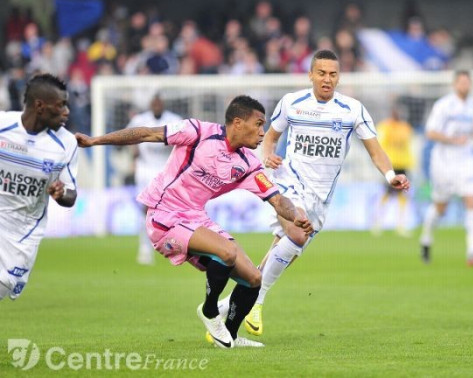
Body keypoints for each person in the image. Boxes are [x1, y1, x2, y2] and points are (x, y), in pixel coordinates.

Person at [75, 95, 310, 349]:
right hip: (163, 215)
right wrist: (95, 140)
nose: (263, 133)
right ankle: (209, 312)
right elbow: (146, 134)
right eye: (259, 124)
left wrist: (296, 215)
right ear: (238, 123)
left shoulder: (248, 164)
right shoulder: (197, 132)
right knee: (227, 251)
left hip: (196, 217)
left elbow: (277, 200)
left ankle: (228, 335)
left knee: (254, 278)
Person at [213, 49, 410, 337]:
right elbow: (269, 139)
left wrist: (391, 175)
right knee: (296, 234)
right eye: (321, 73)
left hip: (321, 197)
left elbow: (375, 149)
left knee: (286, 247)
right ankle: (257, 301)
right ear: (311, 75)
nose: (327, 79)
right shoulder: (292, 103)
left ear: (339, 77)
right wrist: (268, 157)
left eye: (332, 74)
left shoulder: (352, 110)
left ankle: (230, 303)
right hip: (288, 184)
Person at [0, 73, 79, 301]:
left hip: (23, 233)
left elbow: (71, 194)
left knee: (4, 285)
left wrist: (62, 193)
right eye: (61, 105)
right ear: (40, 106)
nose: (66, 112)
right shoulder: (4, 125)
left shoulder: (66, 143)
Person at [419, 70, 473, 266]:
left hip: (466, 160)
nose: (465, 85)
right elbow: (430, 132)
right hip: (444, 162)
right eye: (461, 82)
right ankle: (426, 239)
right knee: (441, 207)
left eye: (468, 82)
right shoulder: (443, 105)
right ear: (455, 84)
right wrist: (452, 140)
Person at [126, 93, 182, 265]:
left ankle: (172, 245)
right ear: (150, 103)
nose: (157, 105)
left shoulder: (174, 120)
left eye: (159, 102)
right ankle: (144, 247)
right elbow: (131, 138)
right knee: (146, 209)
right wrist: (133, 159)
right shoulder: (140, 120)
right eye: (154, 102)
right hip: (144, 170)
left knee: (169, 210)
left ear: (163, 103)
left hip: (165, 170)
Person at [373, 104, 415, 237]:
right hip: (390, 166)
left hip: (403, 165)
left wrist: (410, 162)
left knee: (403, 195)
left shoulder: (406, 128)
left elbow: (408, 146)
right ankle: (378, 223)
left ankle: (401, 225)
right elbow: (379, 144)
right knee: (386, 194)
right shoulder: (385, 127)